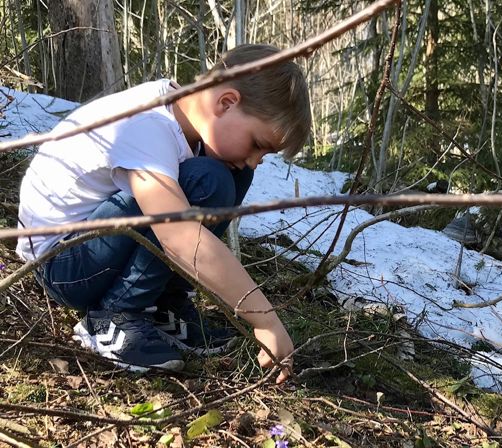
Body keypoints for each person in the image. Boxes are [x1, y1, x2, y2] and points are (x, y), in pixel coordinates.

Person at [15, 44, 310, 383]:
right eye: (258, 144)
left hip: (94, 248)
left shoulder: (185, 119)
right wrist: (265, 320)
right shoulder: (148, 124)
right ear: (226, 102)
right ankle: (114, 315)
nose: (255, 160)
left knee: (229, 175)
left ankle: (163, 306)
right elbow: (179, 236)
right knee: (208, 180)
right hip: (61, 264)